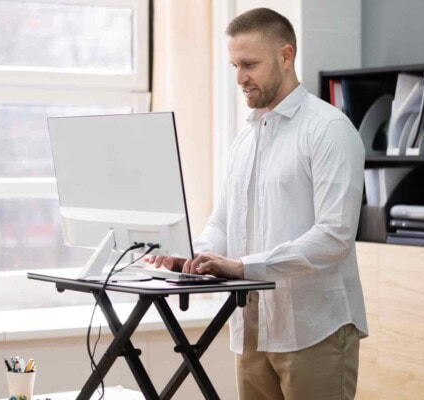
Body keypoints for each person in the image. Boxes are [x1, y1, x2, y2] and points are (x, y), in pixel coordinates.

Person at [146, 7, 368, 400]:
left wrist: (243, 267)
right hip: (251, 326)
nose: (239, 78)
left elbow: (335, 236)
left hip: (313, 329)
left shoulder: (329, 129)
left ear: (286, 56)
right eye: (234, 65)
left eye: (249, 64)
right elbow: (225, 220)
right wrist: (193, 254)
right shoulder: (245, 139)